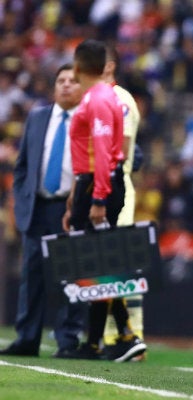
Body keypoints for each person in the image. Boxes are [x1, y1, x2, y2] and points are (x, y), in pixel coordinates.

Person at [59, 39, 145, 361]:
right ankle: (102, 340)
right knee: (96, 264)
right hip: (96, 183)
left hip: (99, 184)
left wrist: (96, 199)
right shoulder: (106, 97)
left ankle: (119, 336)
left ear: (79, 66)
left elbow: (104, 150)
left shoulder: (97, 100)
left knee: (98, 265)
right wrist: (75, 197)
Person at [0, 64, 86, 358]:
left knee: (70, 275)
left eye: (73, 81)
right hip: (37, 206)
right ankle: (27, 339)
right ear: (54, 86)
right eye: (61, 80)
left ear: (82, 87)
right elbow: (22, 164)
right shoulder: (37, 117)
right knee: (32, 275)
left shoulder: (88, 119)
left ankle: (67, 340)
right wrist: (22, 200)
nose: (65, 85)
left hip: (70, 207)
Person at [100, 43, 147, 359]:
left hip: (115, 190)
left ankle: (133, 336)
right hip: (98, 190)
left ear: (110, 66)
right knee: (98, 267)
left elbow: (122, 152)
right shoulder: (92, 99)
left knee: (118, 265)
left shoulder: (120, 100)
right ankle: (108, 337)